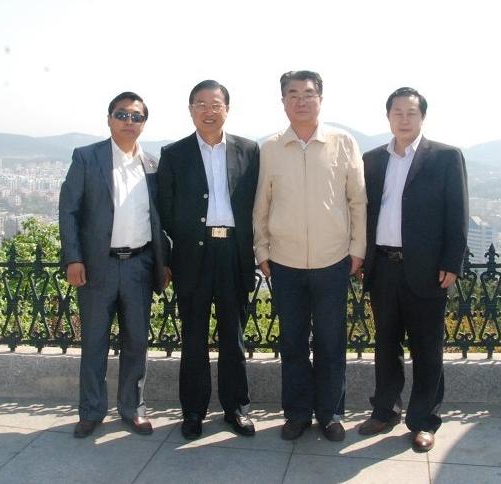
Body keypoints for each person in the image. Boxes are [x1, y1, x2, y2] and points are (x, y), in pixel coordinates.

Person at [253, 70, 366, 442]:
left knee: (332, 343)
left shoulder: (342, 142)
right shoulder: (271, 147)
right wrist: (262, 249)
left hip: (332, 260)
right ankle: (297, 414)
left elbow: (357, 200)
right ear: (283, 101)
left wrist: (357, 249)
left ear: (320, 99)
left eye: (308, 93)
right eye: (293, 94)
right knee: (293, 343)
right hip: (284, 262)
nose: (301, 101)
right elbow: (261, 204)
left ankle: (331, 414)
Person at [360, 87, 468, 452]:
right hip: (383, 266)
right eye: (398, 113)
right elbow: (364, 211)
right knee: (386, 344)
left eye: (411, 113)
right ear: (388, 116)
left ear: (422, 117)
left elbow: (457, 213)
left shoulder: (445, 157)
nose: (404, 119)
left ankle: (424, 421)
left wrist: (452, 262)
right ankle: (385, 410)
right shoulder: (372, 159)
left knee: (427, 348)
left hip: (428, 270)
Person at [59, 91, 171, 438]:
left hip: (140, 265)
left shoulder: (152, 165)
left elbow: (161, 220)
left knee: (137, 341)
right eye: (122, 115)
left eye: (136, 117)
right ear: (109, 119)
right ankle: (91, 411)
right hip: (98, 266)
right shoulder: (87, 157)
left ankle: (133, 409)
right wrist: (73, 258)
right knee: (94, 342)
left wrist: (164, 263)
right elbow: (69, 211)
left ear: (144, 123)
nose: (129, 122)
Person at [157, 80, 259, 439]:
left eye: (216, 104)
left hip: (234, 253)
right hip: (192, 256)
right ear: (190, 110)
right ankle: (193, 412)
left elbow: (258, 203)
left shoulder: (249, 150)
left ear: (227, 109)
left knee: (234, 337)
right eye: (200, 104)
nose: (208, 111)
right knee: (193, 337)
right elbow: (165, 210)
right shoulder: (174, 154)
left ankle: (236, 409)